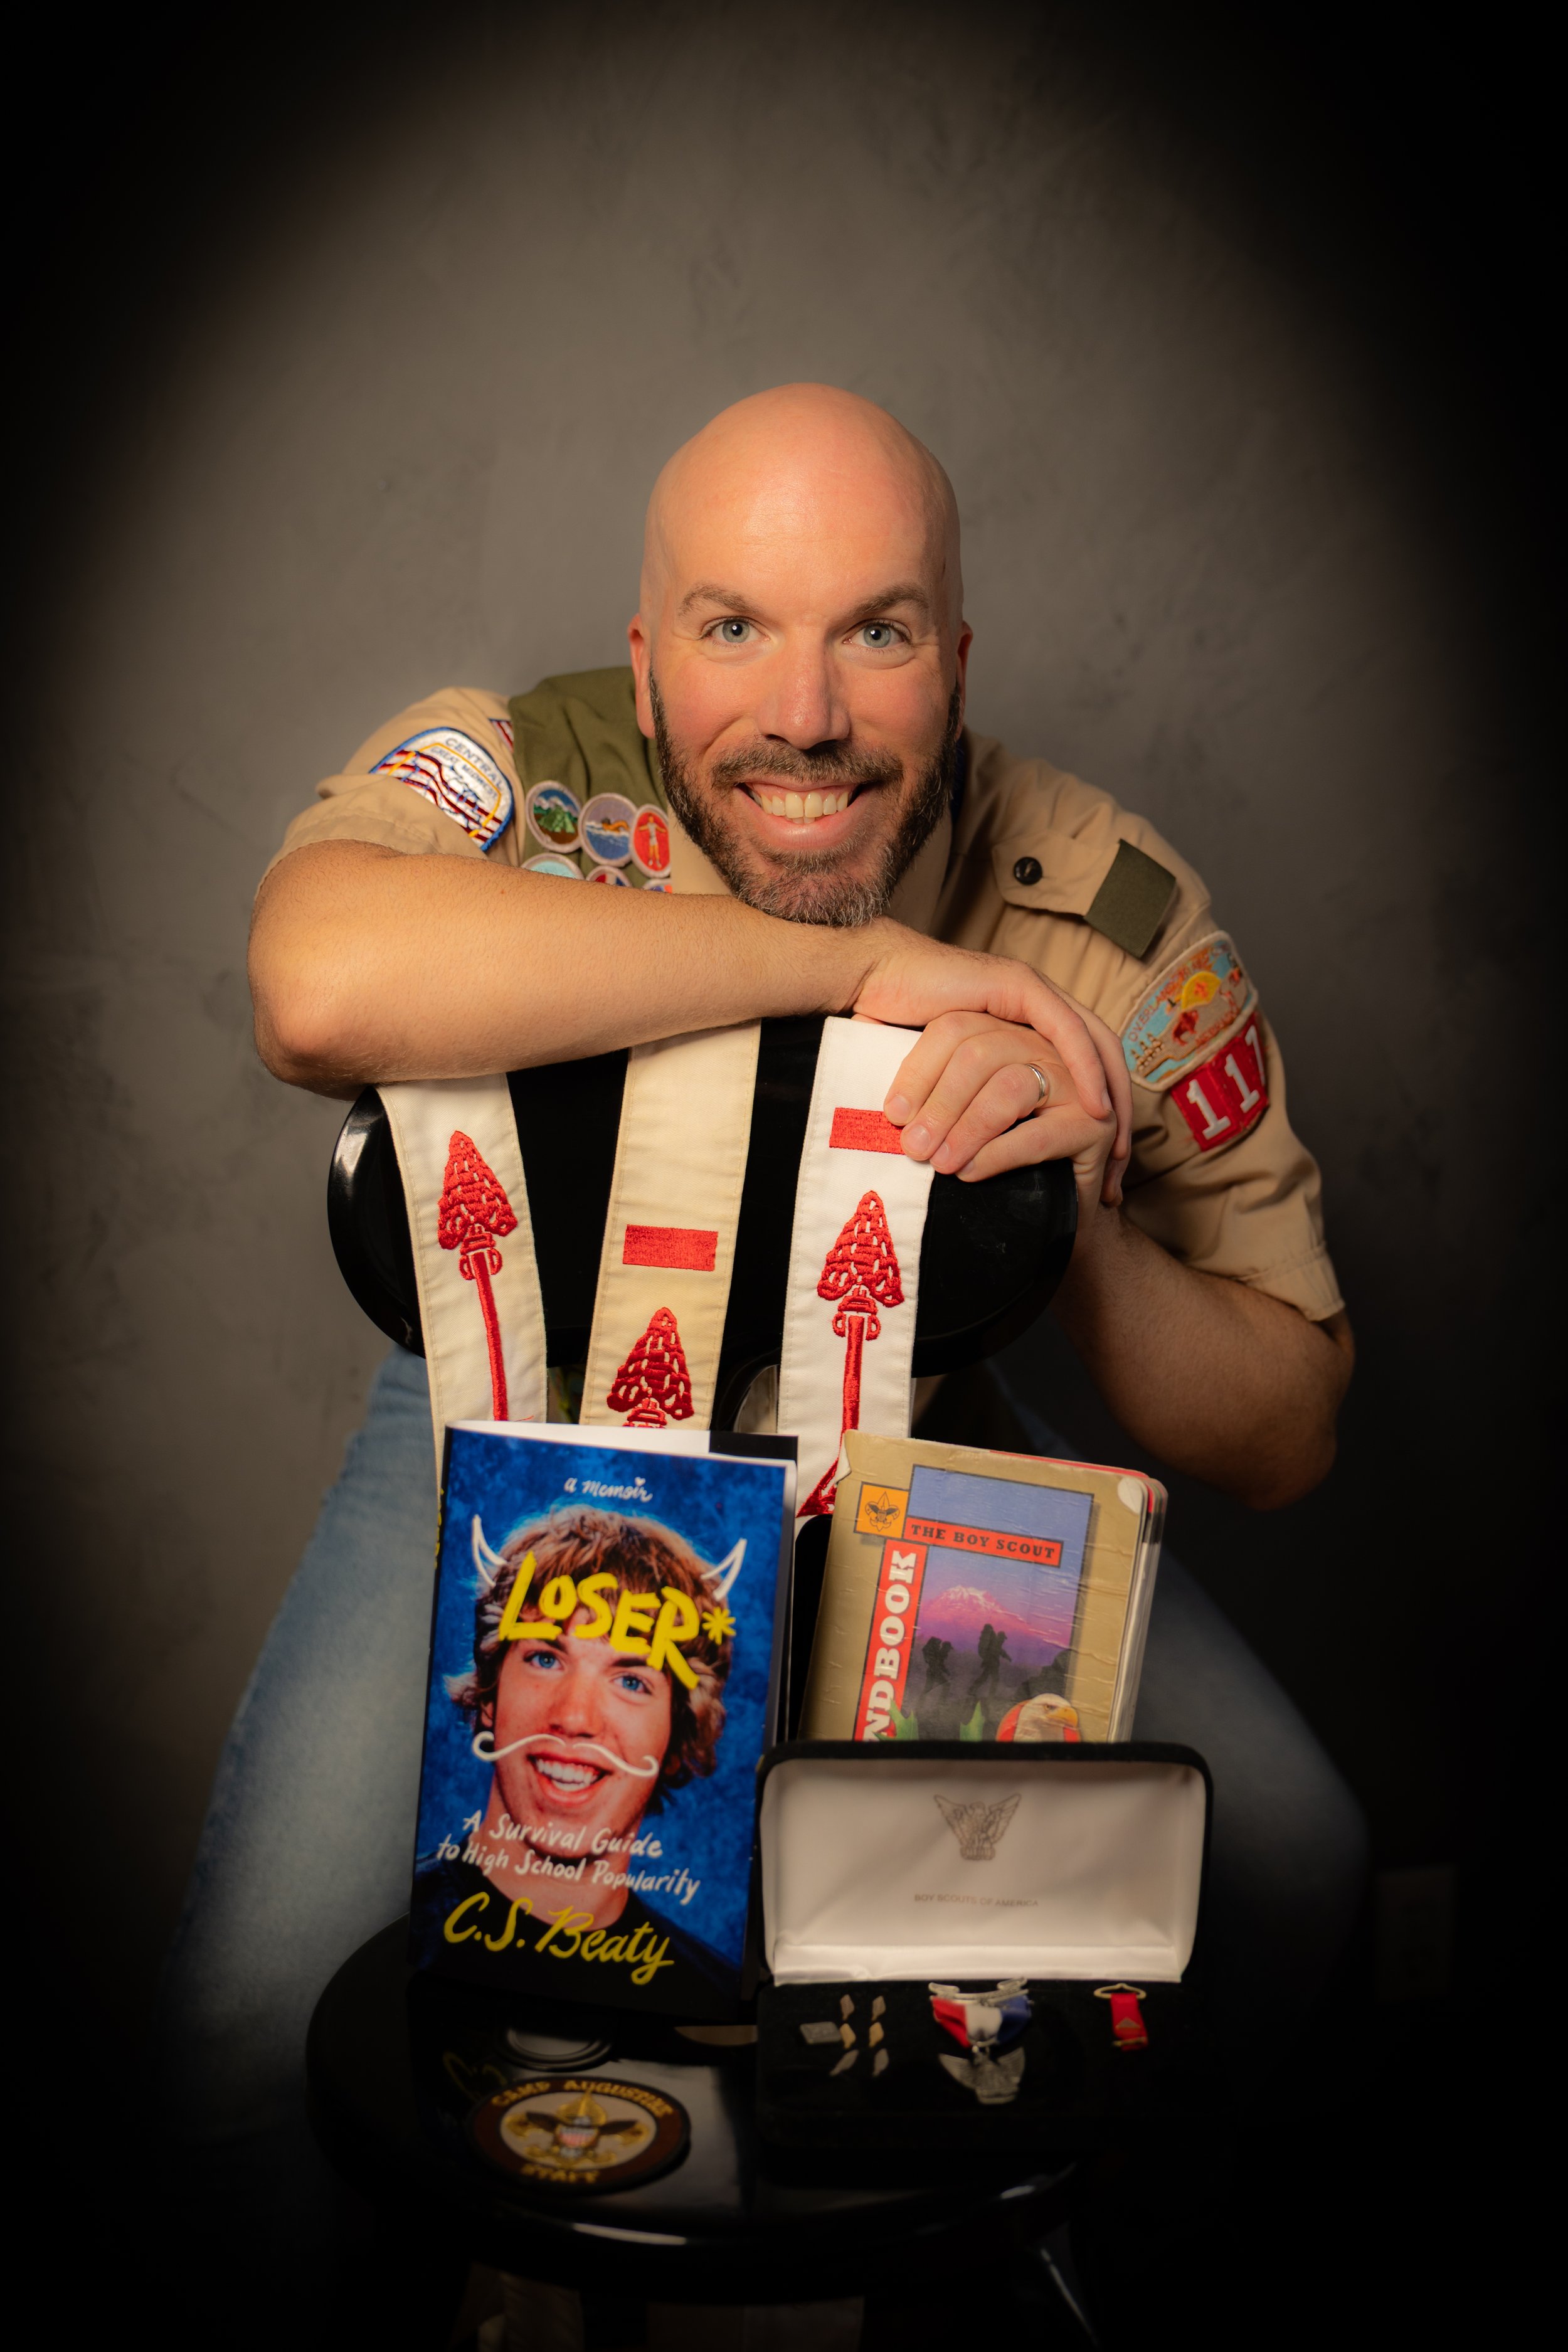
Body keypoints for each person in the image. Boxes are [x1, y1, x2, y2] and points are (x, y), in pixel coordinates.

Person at [159, 384, 1365, 2316]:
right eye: (733, 625)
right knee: (243, 2026)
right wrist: (857, 978)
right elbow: (312, 979)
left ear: (953, 661)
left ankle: (1080, 2275)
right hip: (517, 1420)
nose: (801, 711)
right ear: (642, 662)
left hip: (920, 1443)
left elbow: (1286, 1420)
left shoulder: (1089, 894)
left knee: (1295, 1864)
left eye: (872, 631)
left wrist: (1063, 1222)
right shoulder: (521, 770)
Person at [414, 1504, 733, 2006]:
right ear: (491, 1698)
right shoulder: (394, 1934)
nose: (576, 1718)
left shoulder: (710, 2001)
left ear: (676, 1738)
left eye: (631, 1681)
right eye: (545, 1658)